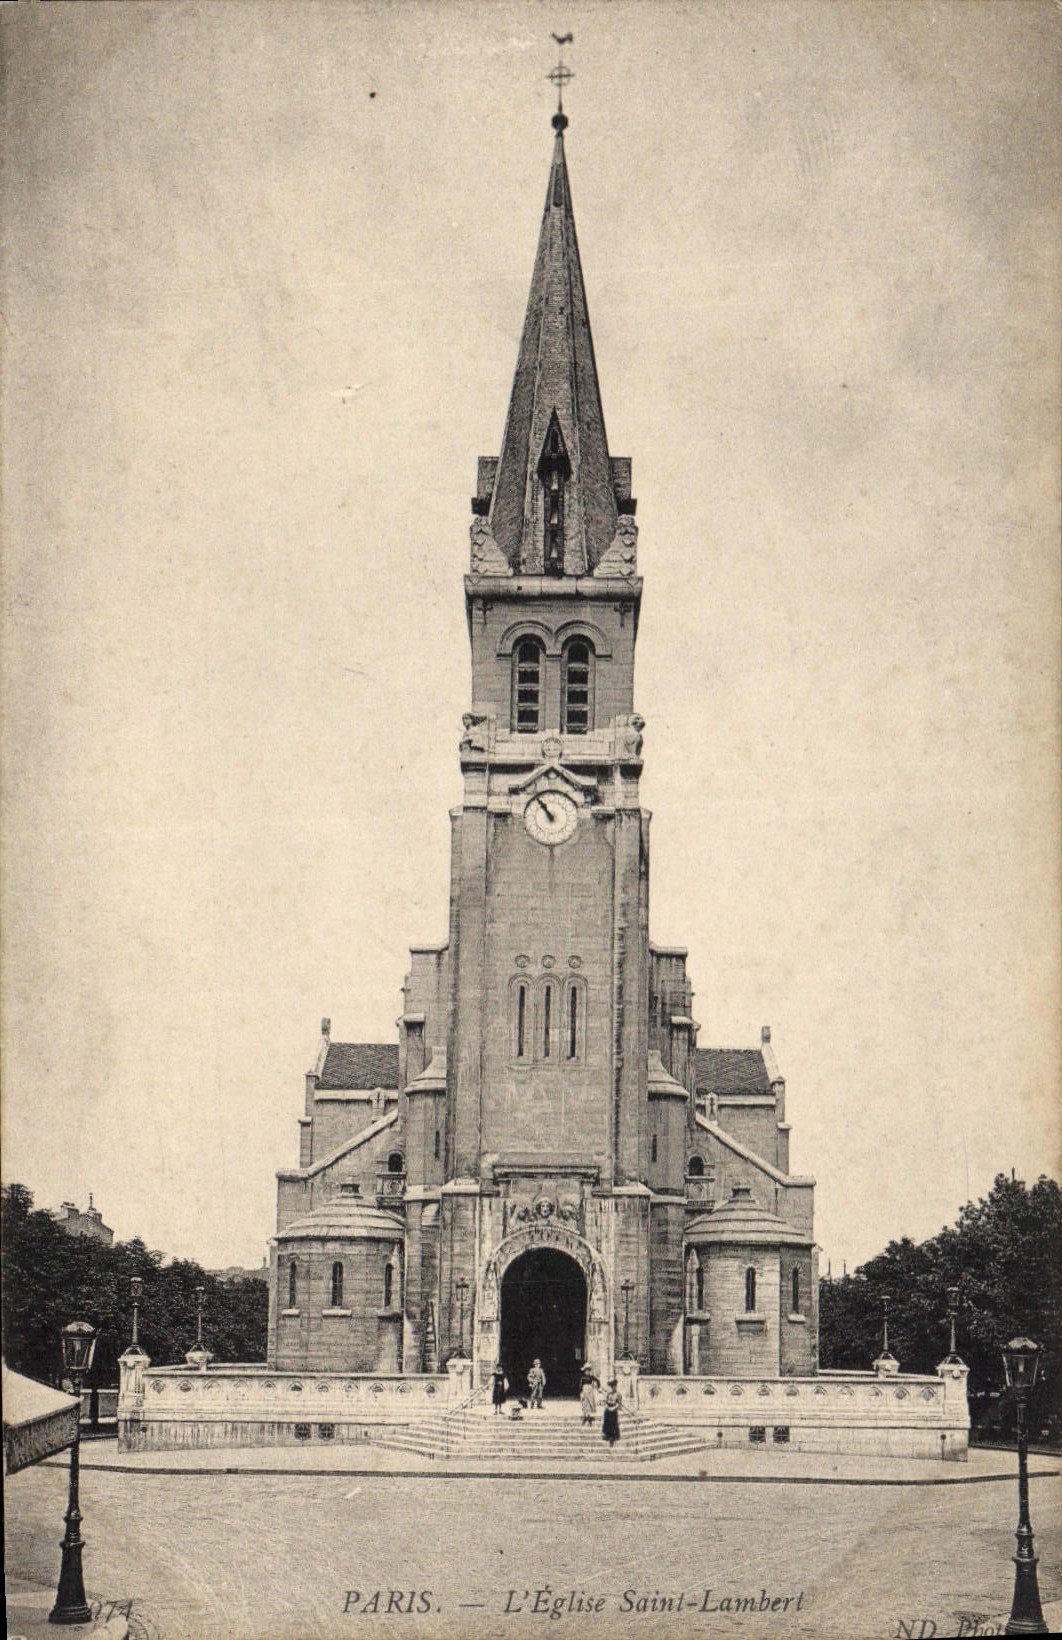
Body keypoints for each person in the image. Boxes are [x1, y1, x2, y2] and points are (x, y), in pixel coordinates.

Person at [602, 1379, 622, 1447]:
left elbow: (618, 1404)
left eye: (614, 1386)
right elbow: (605, 1402)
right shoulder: (608, 1394)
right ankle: (607, 1435)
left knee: (613, 1424)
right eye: (612, 1386)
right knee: (607, 1423)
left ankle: (612, 1438)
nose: (613, 1388)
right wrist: (607, 1407)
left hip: (613, 1411)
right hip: (607, 1411)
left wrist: (613, 1408)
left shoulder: (618, 1394)